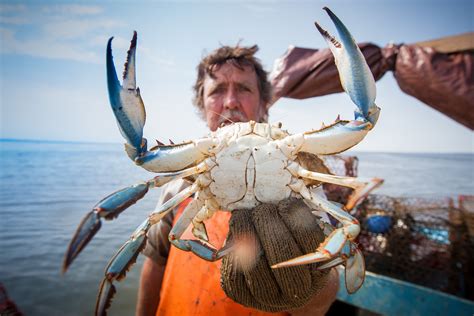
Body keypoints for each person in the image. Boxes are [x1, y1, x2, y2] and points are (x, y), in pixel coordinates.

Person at [136, 44, 339, 316]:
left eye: (244, 88)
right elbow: (154, 264)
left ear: (263, 103)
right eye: (217, 90)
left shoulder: (301, 184)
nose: (230, 101)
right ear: (203, 104)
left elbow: (325, 295)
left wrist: (308, 290)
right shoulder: (179, 186)